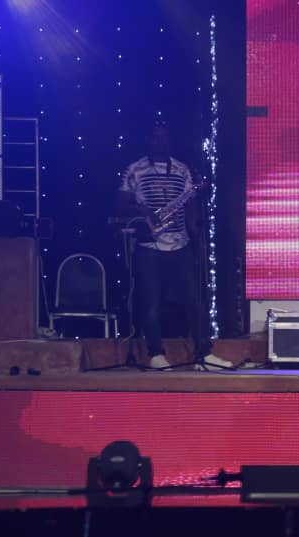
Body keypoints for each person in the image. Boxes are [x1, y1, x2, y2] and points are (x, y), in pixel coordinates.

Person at [115, 122, 231, 370]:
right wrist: (142, 210)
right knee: (151, 303)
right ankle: (156, 354)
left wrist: (196, 228)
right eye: (156, 137)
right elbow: (120, 203)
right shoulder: (134, 169)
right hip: (149, 246)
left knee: (194, 300)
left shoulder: (182, 170)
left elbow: (190, 205)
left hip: (181, 245)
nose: (161, 141)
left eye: (165, 137)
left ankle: (203, 354)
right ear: (148, 140)